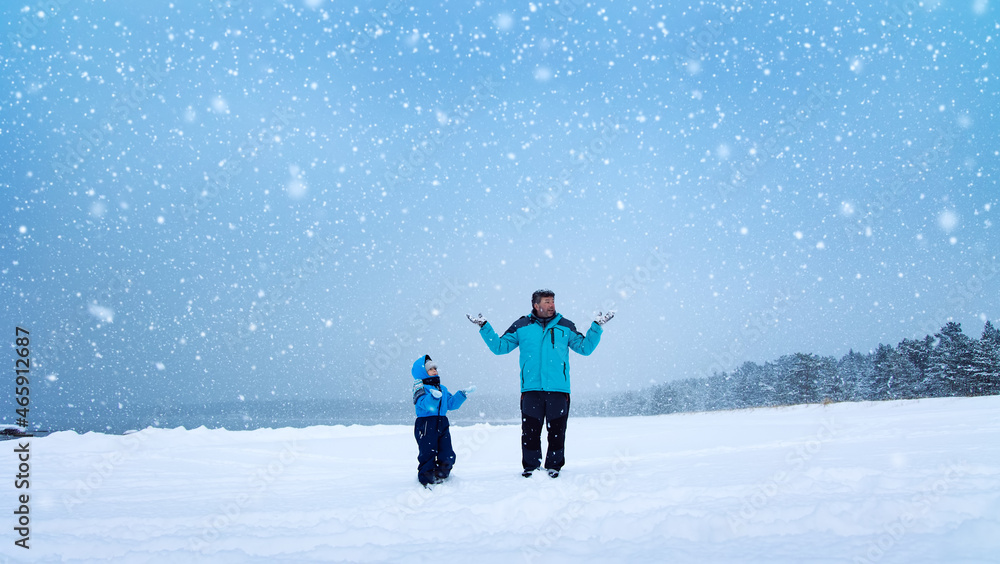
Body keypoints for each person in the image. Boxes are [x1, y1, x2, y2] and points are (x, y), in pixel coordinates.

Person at [467, 289, 614, 478]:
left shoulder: (565, 325)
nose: (552, 305)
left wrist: (596, 328)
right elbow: (499, 347)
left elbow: (585, 348)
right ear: (536, 305)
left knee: (557, 432)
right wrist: (484, 327)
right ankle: (531, 467)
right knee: (530, 432)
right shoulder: (521, 325)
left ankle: (554, 466)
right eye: (547, 302)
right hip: (531, 390)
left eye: (553, 301)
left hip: (559, 390)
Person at [411, 354, 475, 487]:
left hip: (442, 422)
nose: (434, 370)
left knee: (447, 453)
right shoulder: (420, 387)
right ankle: (426, 480)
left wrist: (462, 394)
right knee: (428, 453)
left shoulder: (442, 388)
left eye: (435, 367)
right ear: (422, 371)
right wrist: (433, 398)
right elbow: (423, 404)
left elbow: (451, 404)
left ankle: (441, 476)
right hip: (426, 424)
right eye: (430, 368)